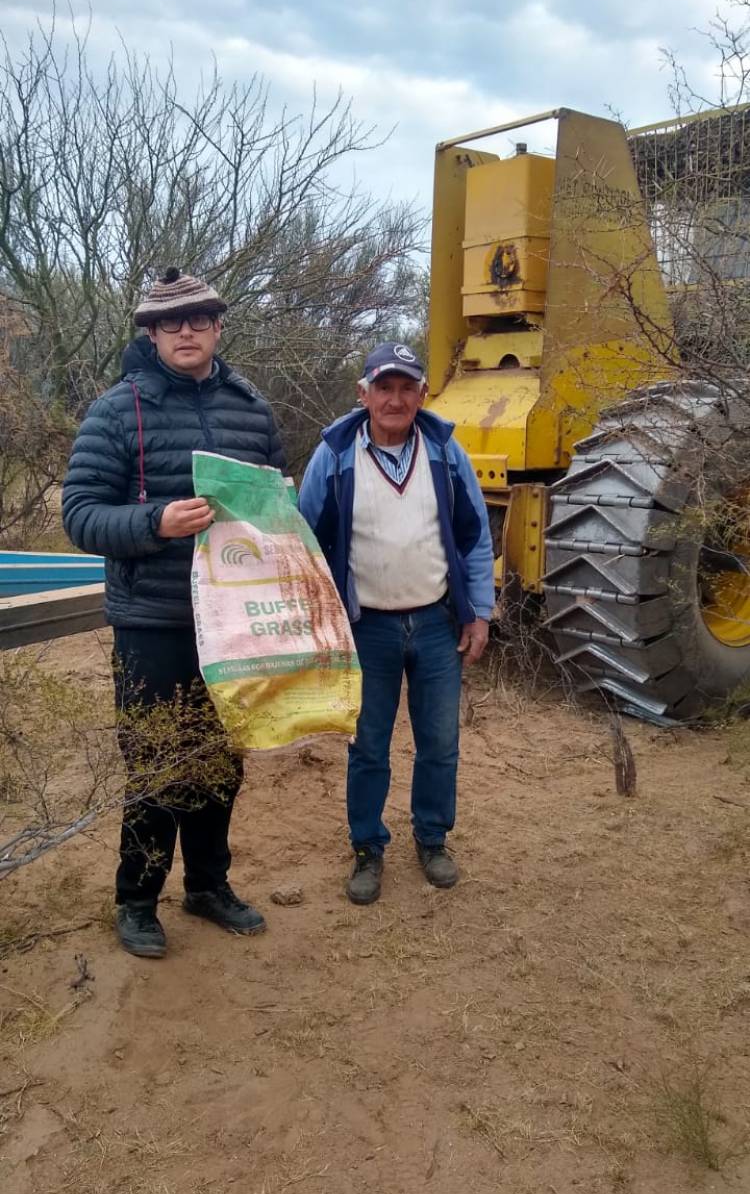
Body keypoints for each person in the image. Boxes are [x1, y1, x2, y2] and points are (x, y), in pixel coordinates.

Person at [62, 268, 288, 958]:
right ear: (152, 333)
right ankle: (137, 900)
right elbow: (79, 515)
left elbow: (276, 507)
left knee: (223, 761)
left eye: (199, 319)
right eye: (170, 323)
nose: (186, 331)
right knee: (157, 764)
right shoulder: (114, 410)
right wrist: (154, 521)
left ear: (219, 326)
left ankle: (208, 885)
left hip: (234, 618)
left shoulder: (253, 409)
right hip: (153, 620)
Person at [299, 342, 494, 904]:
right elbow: (306, 542)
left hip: (436, 624)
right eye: (384, 387)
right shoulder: (334, 455)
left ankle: (432, 839)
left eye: (407, 388)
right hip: (367, 629)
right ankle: (368, 848)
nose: (395, 399)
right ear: (363, 394)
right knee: (368, 746)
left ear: (422, 396)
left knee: (440, 742)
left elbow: (475, 537)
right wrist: (317, 624)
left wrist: (479, 611)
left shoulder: (444, 450)